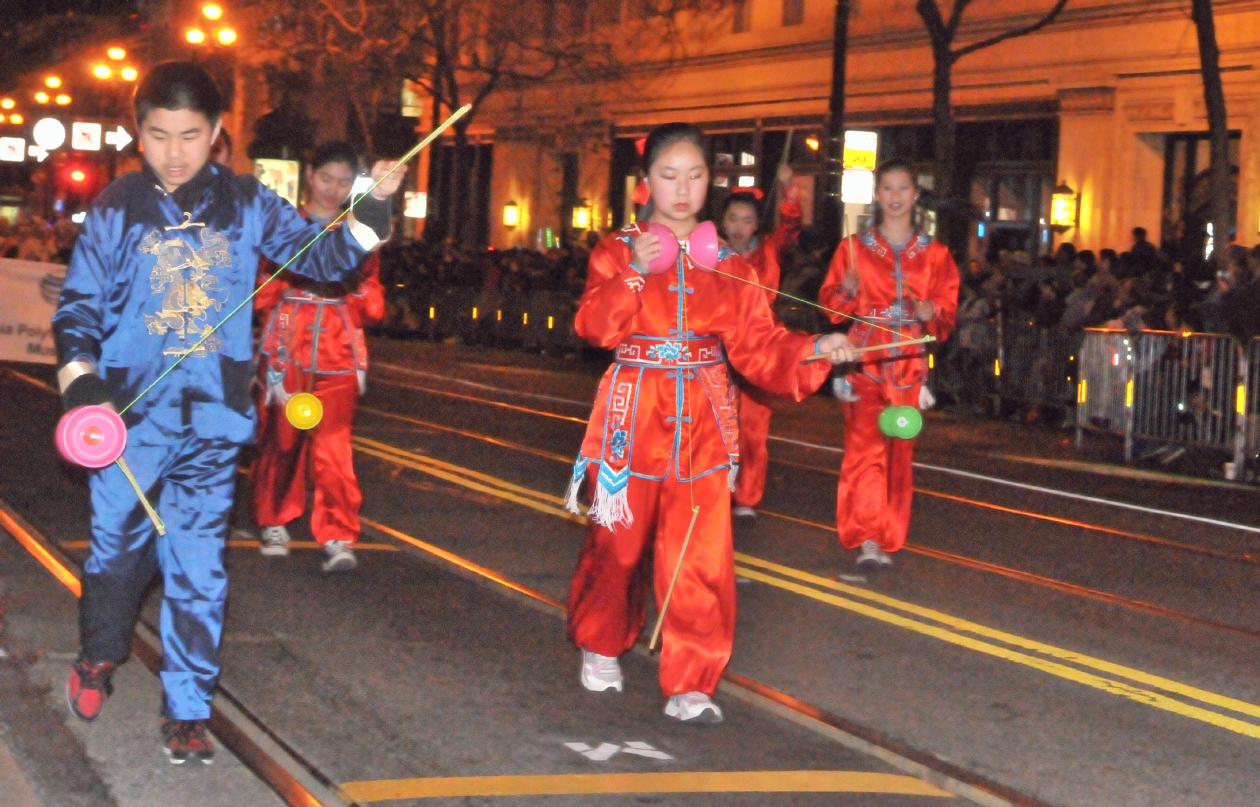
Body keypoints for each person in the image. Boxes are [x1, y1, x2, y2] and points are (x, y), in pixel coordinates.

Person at [51, 62, 404, 763]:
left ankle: (187, 706)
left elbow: (325, 257)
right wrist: (81, 383)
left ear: (216, 135)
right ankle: (99, 653)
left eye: (190, 135)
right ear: (138, 133)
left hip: (211, 424)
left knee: (198, 567)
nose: (175, 152)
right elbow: (78, 309)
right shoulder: (117, 206)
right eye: (158, 136)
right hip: (130, 423)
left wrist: (370, 212)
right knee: (117, 556)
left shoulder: (248, 203)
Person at [563, 123, 854, 724]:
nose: (682, 188)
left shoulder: (733, 266)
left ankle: (693, 677)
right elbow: (594, 327)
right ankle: (600, 640)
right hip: (632, 414)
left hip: (703, 417)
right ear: (646, 185)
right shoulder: (617, 250)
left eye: (695, 176)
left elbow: (760, 347)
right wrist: (635, 273)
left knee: (701, 555)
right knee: (618, 546)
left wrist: (817, 349)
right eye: (669, 175)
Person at [818, 160, 959, 569]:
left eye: (903, 188)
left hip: (910, 364)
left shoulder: (935, 255)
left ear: (915, 195)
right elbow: (829, 307)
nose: (895, 196)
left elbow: (946, 316)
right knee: (865, 451)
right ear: (877, 195)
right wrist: (844, 291)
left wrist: (930, 308)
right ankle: (867, 536)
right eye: (887, 188)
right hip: (865, 361)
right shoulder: (853, 249)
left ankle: (888, 531)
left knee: (898, 452)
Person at [251, 142, 386, 571]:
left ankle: (339, 532)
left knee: (334, 446)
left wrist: (358, 290)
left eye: (344, 182)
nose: (333, 188)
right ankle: (274, 518)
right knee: (283, 439)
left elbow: (373, 300)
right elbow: (260, 291)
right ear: (310, 175)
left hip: (339, 349)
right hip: (287, 345)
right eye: (326, 178)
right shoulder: (284, 226)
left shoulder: (359, 231)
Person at [719, 165, 802, 519]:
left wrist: (789, 190)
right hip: (716, 344)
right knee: (714, 424)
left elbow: (792, 227)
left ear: (757, 224)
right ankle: (712, 491)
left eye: (747, 220)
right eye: (734, 219)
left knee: (753, 427)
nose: (740, 227)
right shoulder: (709, 252)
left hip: (758, 345)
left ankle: (747, 497)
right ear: (723, 222)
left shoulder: (768, 249)